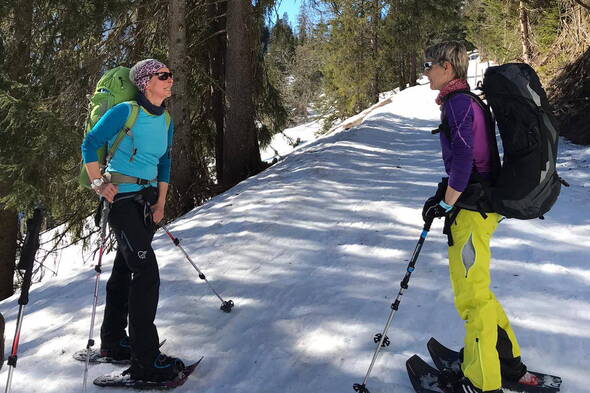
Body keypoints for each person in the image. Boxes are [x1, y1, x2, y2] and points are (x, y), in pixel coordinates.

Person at [421, 42, 538, 393]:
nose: (425, 71)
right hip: (478, 206)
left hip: (473, 211)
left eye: (429, 64)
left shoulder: (457, 104)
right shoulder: (467, 101)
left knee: (472, 299)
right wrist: (444, 197)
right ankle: (506, 364)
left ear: (446, 67)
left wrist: (447, 202)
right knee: (480, 295)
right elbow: (468, 163)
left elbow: (462, 160)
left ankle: (482, 381)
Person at [81, 59, 183, 382]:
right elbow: (91, 143)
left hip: (147, 203)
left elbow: (165, 161)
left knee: (127, 267)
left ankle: (113, 341)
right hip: (122, 203)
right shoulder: (126, 111)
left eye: (170, 75)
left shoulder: (166, 119)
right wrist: (99, 182)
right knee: (146, 271)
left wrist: (161, 202)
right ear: (145, 83)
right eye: (162, 75)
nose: (170, 80)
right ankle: (145, 362)